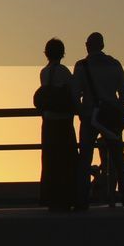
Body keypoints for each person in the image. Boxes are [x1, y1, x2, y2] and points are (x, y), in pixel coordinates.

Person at [72, 32, 124, 211]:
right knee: (118, 157)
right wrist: (114, 107)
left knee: (85, 159)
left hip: (90, 116)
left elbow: (75, 94)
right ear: (103, 46)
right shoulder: (114, 64)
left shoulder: (82, 66)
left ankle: (82, 201)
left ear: (87, 46)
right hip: (111, 118)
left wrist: (82, 112)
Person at [35, 37, 77, 212]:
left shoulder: (43, 72)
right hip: (64, 121)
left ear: (46, 54)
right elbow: (73, 93)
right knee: (67, 159)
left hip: (48, 121)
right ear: (62, 53)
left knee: (50, 159)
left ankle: (50, 196)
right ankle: (67, 196)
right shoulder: (65, 72)